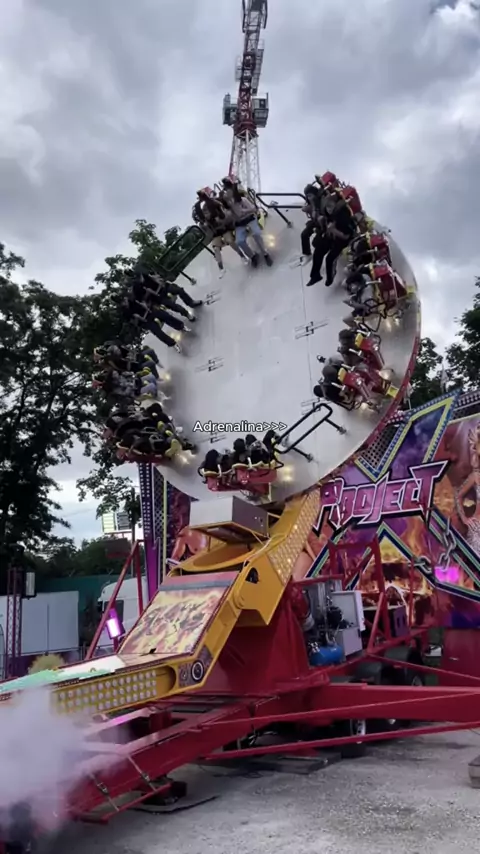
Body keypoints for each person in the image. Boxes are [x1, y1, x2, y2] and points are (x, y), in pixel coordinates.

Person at [307, 193, 357, 288]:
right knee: (318, 251)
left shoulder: (343, 216)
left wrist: (334, 230)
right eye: (327, 207)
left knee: (329, 259)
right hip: (331, 236)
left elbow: (347, 236)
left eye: (330, 206)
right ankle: (315, 275)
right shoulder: (328, 213)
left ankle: (330, 277)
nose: (328, 209)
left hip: (342, 240)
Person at [220, 177, 273, 268]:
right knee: (239, 241)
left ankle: (265, 253)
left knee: (256, 234)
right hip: (240, 225)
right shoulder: (227, 207)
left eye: (228, 190)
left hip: (250, 219)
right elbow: (227, 219)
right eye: (226, 190)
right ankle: (252, 256)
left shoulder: (242, 200)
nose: (227, 192)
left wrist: (244, 211)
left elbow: (253, 208)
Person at [122, 297, 187, 353]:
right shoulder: (125, 313)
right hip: (145, 322)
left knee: (165, 316)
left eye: (125, 301)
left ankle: (181, 326)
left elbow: (143, 301)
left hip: (149, 312)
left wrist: (145, 305)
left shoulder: (132, 301)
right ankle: (172, 343)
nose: (126, 302)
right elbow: (134, 323)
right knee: (158, 333)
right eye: (124, 302)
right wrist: (137, 318)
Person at [297, 184, 328, 268]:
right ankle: (307, 254)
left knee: (315, 243)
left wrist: (311, 209)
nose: (309, 198)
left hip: (324, 224)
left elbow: (322, 215)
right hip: (315, 222)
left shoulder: (321, 202)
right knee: (304, 234)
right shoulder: (311, 202)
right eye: (307, 196)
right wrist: (307, 208)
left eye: (310, 195)